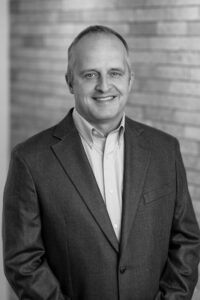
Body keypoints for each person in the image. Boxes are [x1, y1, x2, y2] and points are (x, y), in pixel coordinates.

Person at [3, 25, 200, 300]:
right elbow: (22, 261)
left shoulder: (165, 149)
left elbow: (186, 241)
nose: (104, 86)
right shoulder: (30, 159)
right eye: (90, 74)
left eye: (115, 73)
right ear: (70, 81)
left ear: (130, 79)